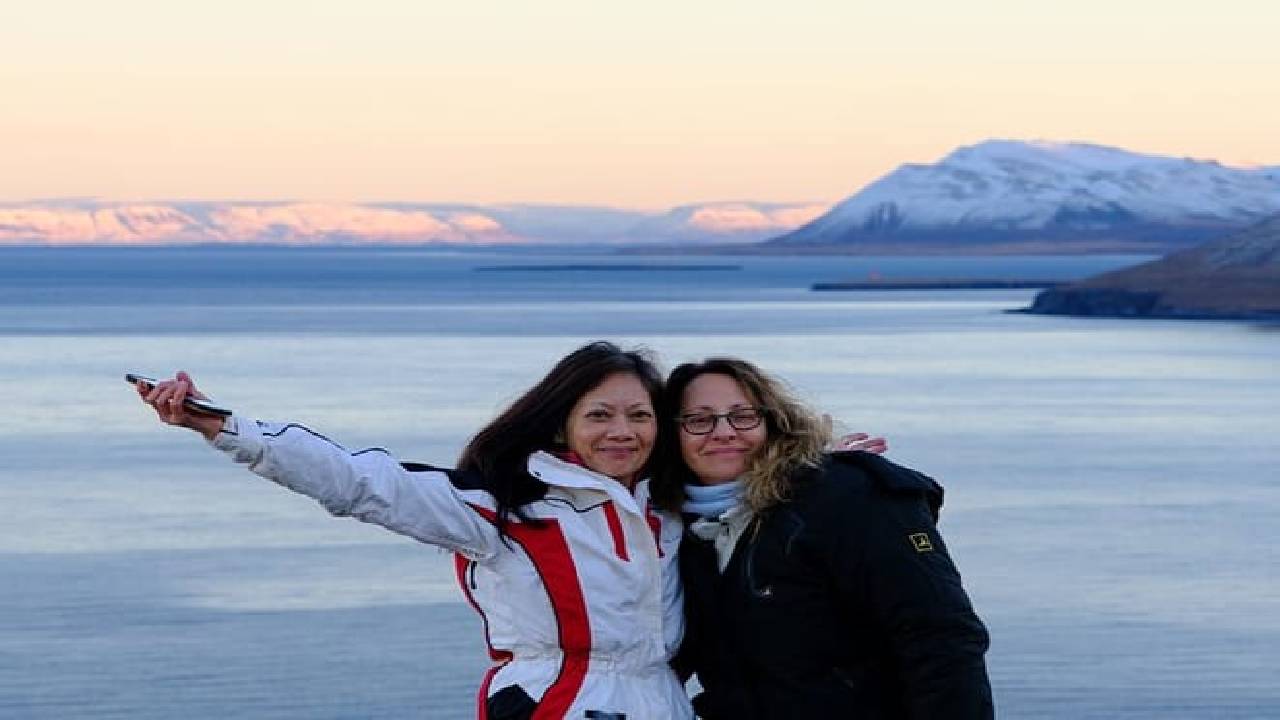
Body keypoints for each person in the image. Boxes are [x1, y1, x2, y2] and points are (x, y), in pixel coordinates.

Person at [135, 342, 694, 720]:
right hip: (559, 704)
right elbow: (362, 483)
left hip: (663, 702)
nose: (621, 431)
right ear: (561, 423)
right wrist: (225, 427)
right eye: (599, 415)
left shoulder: (670, 510)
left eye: (638, 416)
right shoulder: (502, 507)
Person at [655, 358, 994, 719]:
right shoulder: (678, 536)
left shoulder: (849, 497)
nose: (723, 432)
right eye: (699, 420)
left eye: (743, 415)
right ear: (672, 435)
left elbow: (942, 638)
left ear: (774, 422)